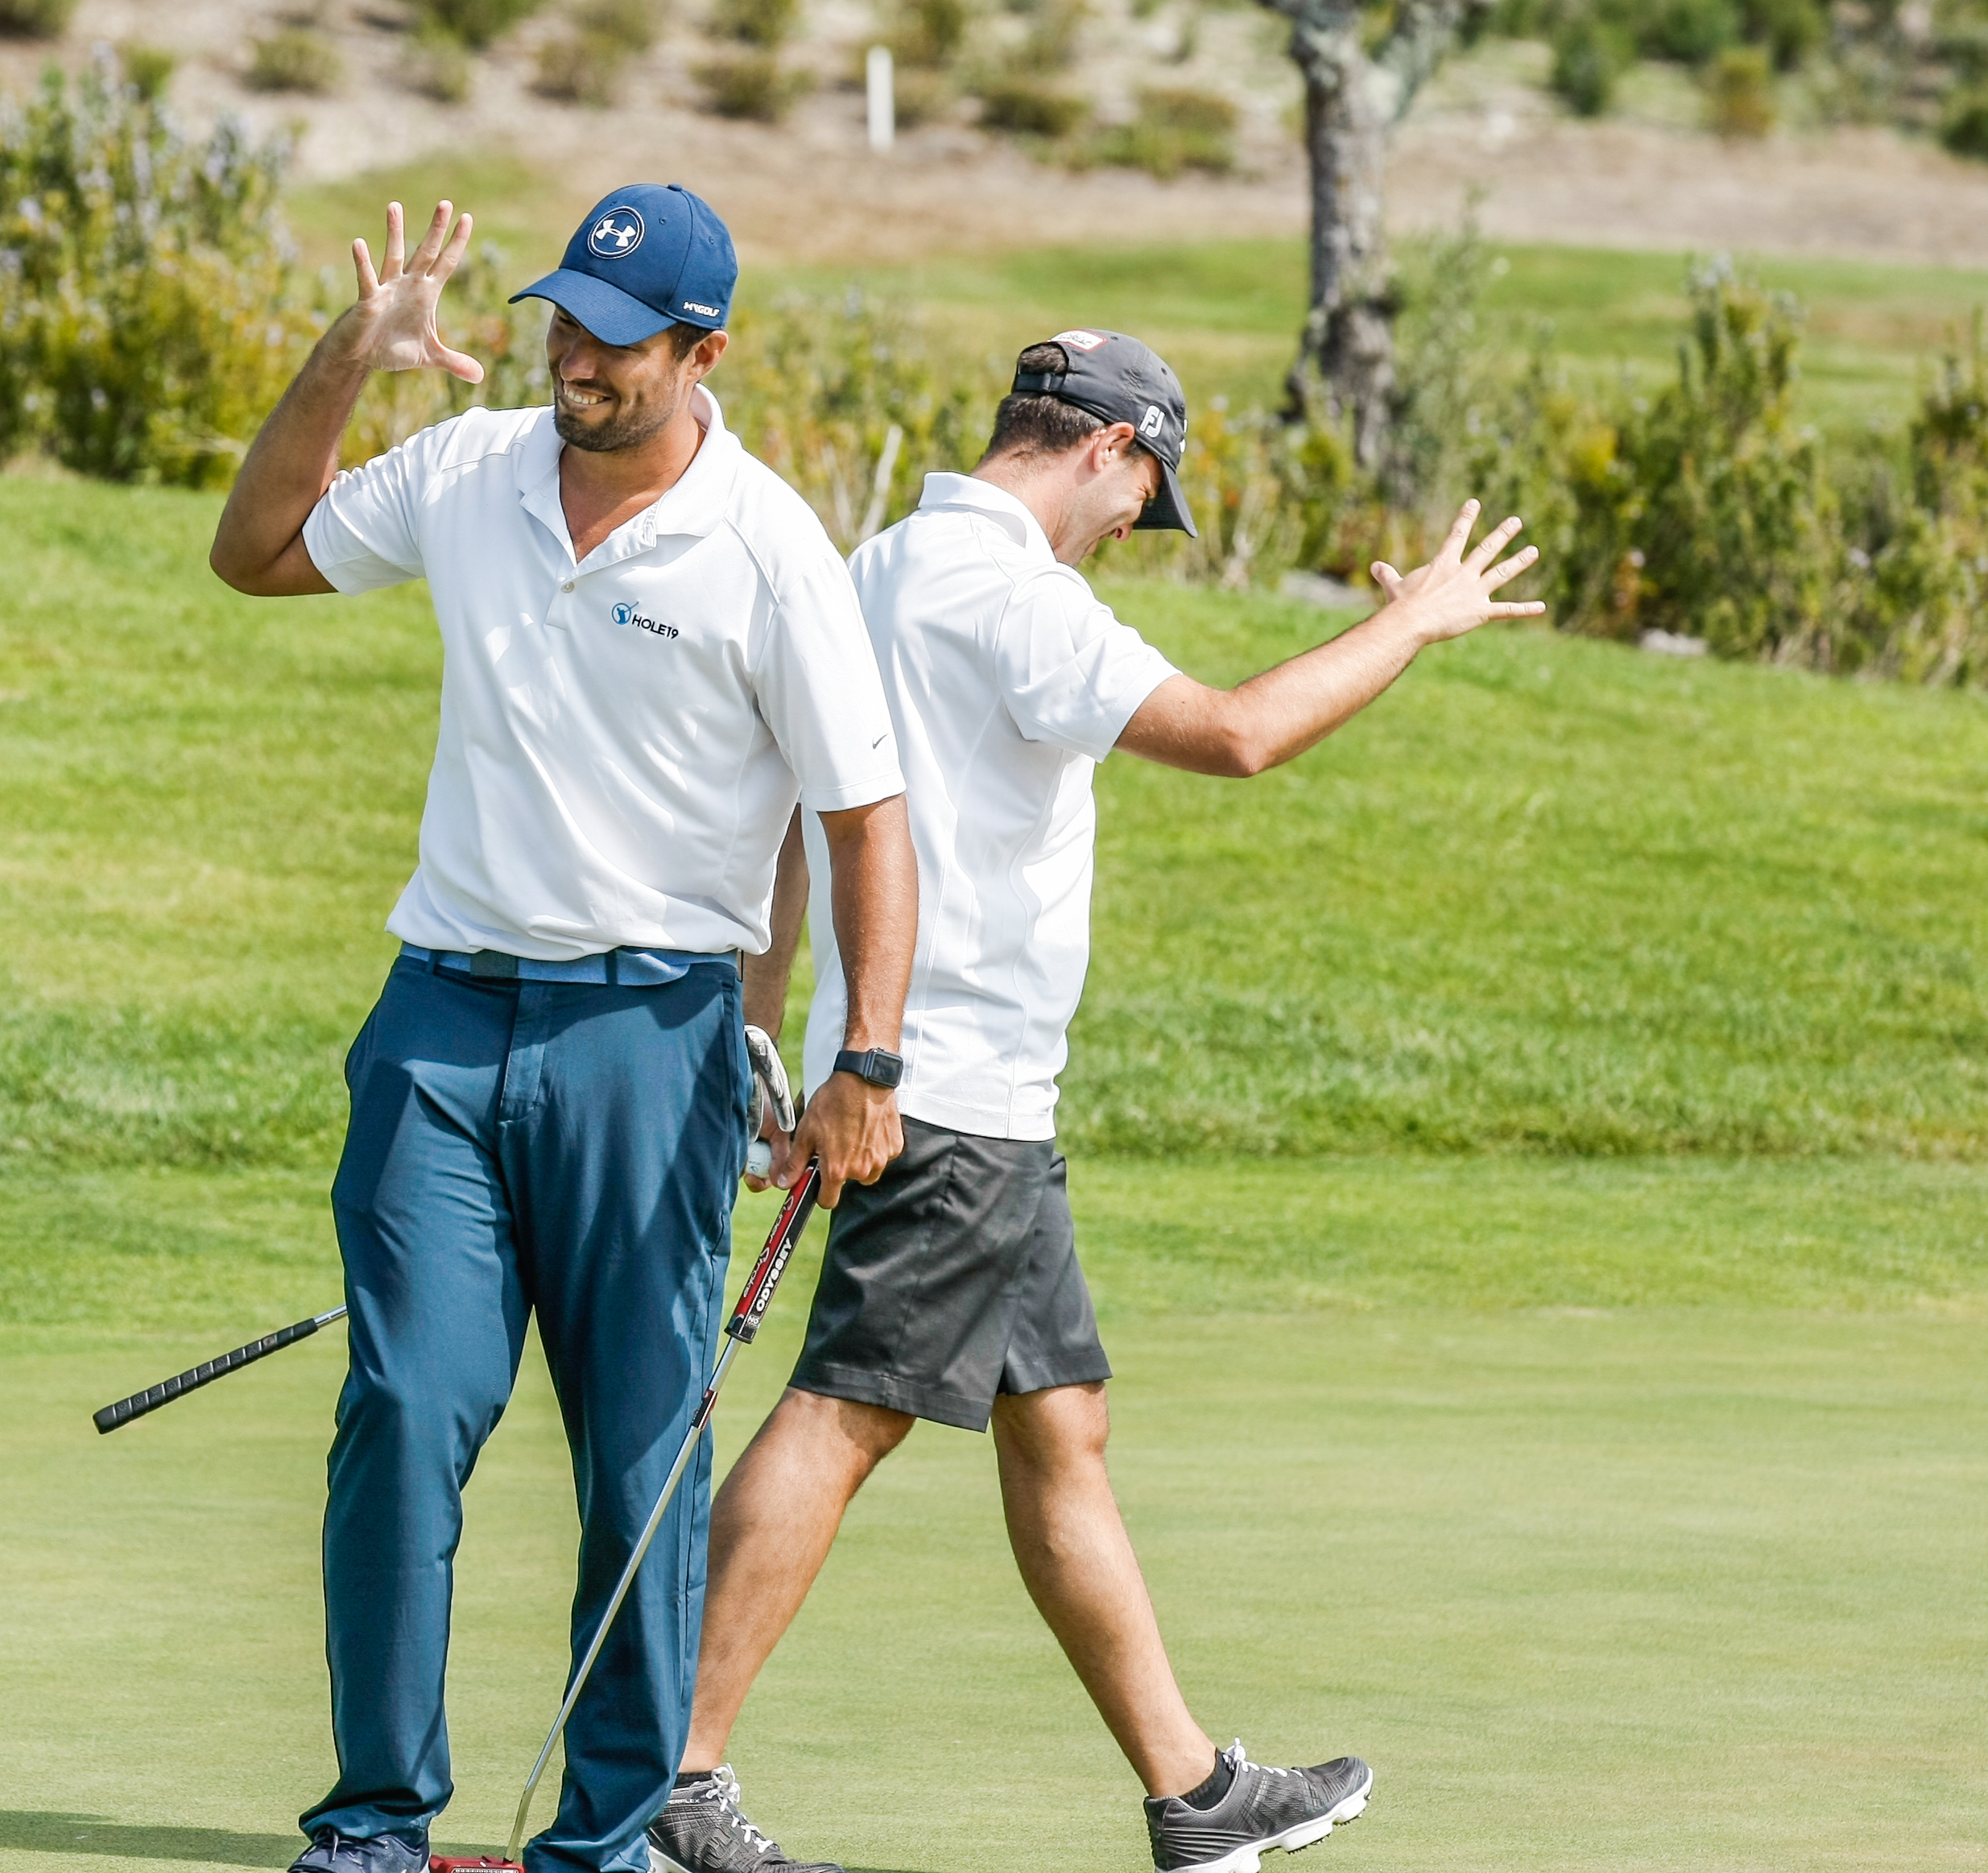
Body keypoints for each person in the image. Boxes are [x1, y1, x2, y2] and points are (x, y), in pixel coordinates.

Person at [651, 332, 1544, 1873]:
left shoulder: (874, 570)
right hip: (949, 1092)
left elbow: (792, 829)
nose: (1134, 527)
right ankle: (672, 1777)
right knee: (850, 1410)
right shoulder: (1017, 600)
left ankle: (1193, 1794)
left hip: (944, 1080)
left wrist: (761, 1031)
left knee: (1062, 1425)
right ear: (1108, 447)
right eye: (1145, 494)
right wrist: (1413, 623)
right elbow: (1240, 734)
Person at [207, 186, 921, 1873]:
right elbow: (254, 553)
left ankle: (604, 1845)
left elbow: (865, 821)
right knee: (404, 1409)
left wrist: (862, 1060)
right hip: (442, 1026)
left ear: (702, 354)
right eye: (562, 324)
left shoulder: (768, 547)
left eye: (615, 341)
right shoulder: (466, 472)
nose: (575, 360)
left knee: (638, 1458)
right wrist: (348, 356)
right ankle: (372, 1824)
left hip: (651, 1038)